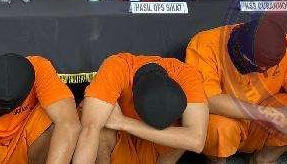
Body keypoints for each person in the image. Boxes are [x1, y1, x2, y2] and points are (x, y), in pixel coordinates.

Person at [185, 18, 287, 163]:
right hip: (229, 116)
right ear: (237, 47)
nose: (263, 70)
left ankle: (263, 158)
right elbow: (210, 100)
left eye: (269, 68)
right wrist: (270, 114)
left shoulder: (284, 43)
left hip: (263, 115)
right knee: (219, 128)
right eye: (256, 65)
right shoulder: (205, 44)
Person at [73, 53, 209, 164]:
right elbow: (90, 129)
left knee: (183, 134)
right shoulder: (117, 67)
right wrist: (120, 124)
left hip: (153, 142)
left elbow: (196, 141)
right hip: (119, 139)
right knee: (98, 120)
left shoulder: (187, 75)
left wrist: (123, 122)